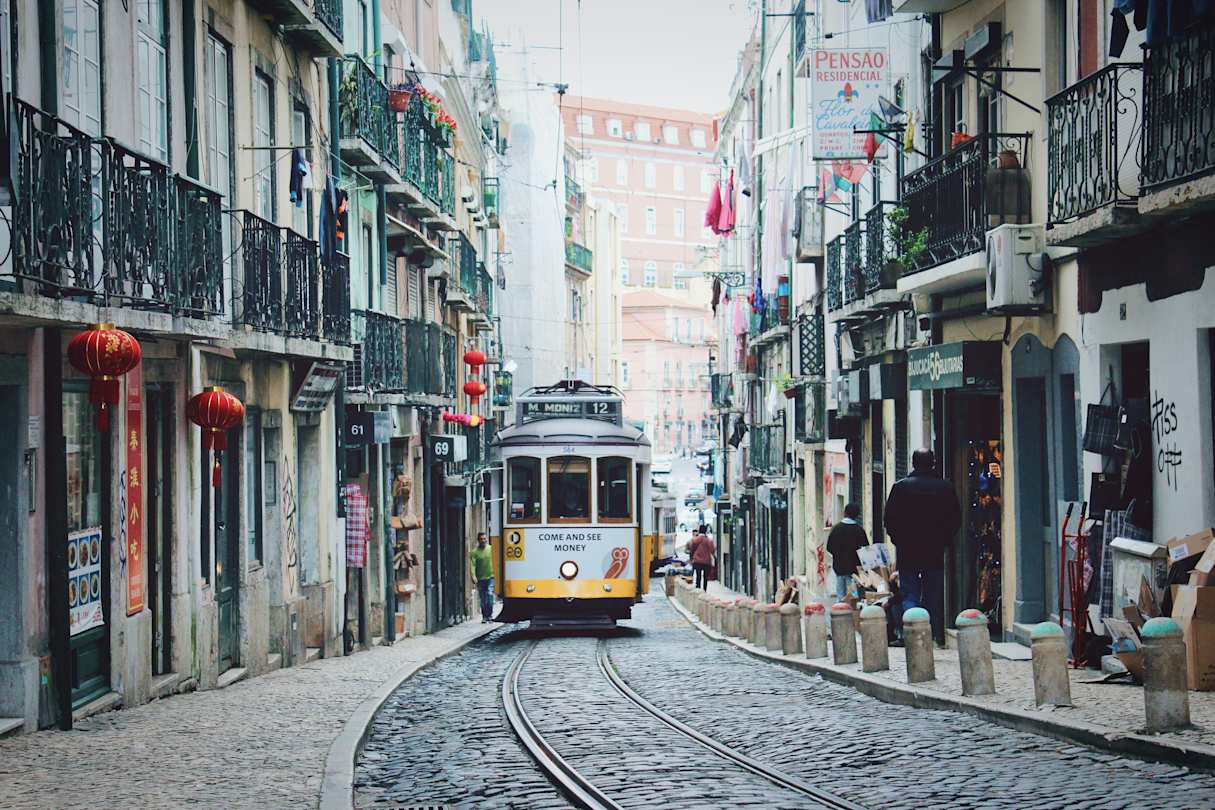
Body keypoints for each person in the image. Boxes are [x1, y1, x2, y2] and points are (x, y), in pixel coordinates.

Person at [883, 448, 962, 647]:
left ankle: (913, 634)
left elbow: (889, 519)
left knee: (909, 593)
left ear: (913, 462)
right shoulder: (945, 488)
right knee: (932, 594)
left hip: (907, 550)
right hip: (934, 549)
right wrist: (944, 540)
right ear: (933, 462)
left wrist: (897, 540)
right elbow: (955, 519)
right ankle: (930, 635)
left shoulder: (900, 487)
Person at [826, 503, 868, 600]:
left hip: (839, 567)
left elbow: (829, 548)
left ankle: (839, 611)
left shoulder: (836, 529)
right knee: (854, 595)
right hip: (854, 569)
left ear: (844, 513)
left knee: (840, 594)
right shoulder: (859, 530)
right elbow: (865, 550)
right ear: (857, 515)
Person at [469, 532, 494, 623]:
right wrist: (473, 575)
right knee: (483, 598)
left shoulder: (491, 549)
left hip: (491, 576)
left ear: (487, 539)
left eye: (484, 539)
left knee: (490, 595)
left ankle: (490, 615)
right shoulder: (474, 552)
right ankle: (484, 616)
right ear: (478, 540)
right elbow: (473, 565)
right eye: (481, 539)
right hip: (480, 578)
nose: (483, 540)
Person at [688, 525, 716, 590]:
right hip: (706, 561)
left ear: (699, 530)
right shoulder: (709, 540)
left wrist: (691, 558)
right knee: (705, 578)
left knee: (698, 577)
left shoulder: (695, 540)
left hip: (697, 561)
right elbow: (712, 550)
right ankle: (704, 590)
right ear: (706, 531)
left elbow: (692, 549)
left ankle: (698, 590)